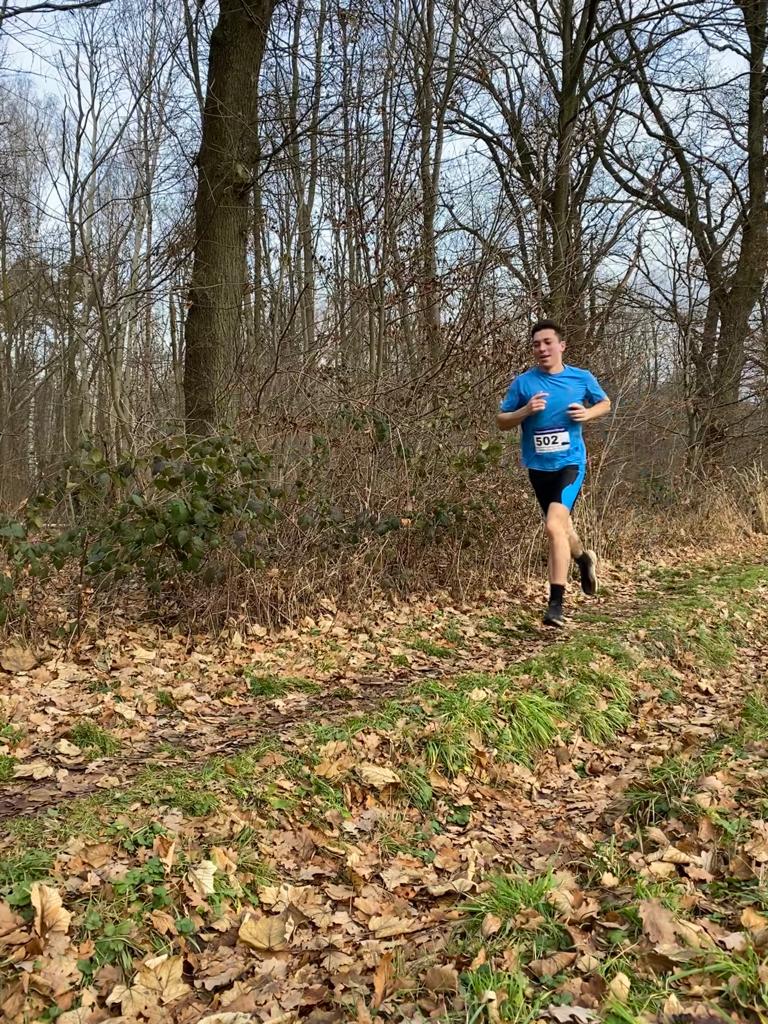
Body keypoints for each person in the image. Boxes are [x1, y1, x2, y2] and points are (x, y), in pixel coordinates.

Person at [496, 320, 611, 627]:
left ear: (562, 345)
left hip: (570, 464)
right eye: (536, 344)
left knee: (552, 526)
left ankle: (556, 605)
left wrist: (587, 413)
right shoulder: (523, 383)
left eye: (548, 342)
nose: (542, 348)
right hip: (538, 468)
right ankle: (584, 559)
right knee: (561, 528)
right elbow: (501, 421)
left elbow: (605, 403)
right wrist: (525, 411)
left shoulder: (580, 378)